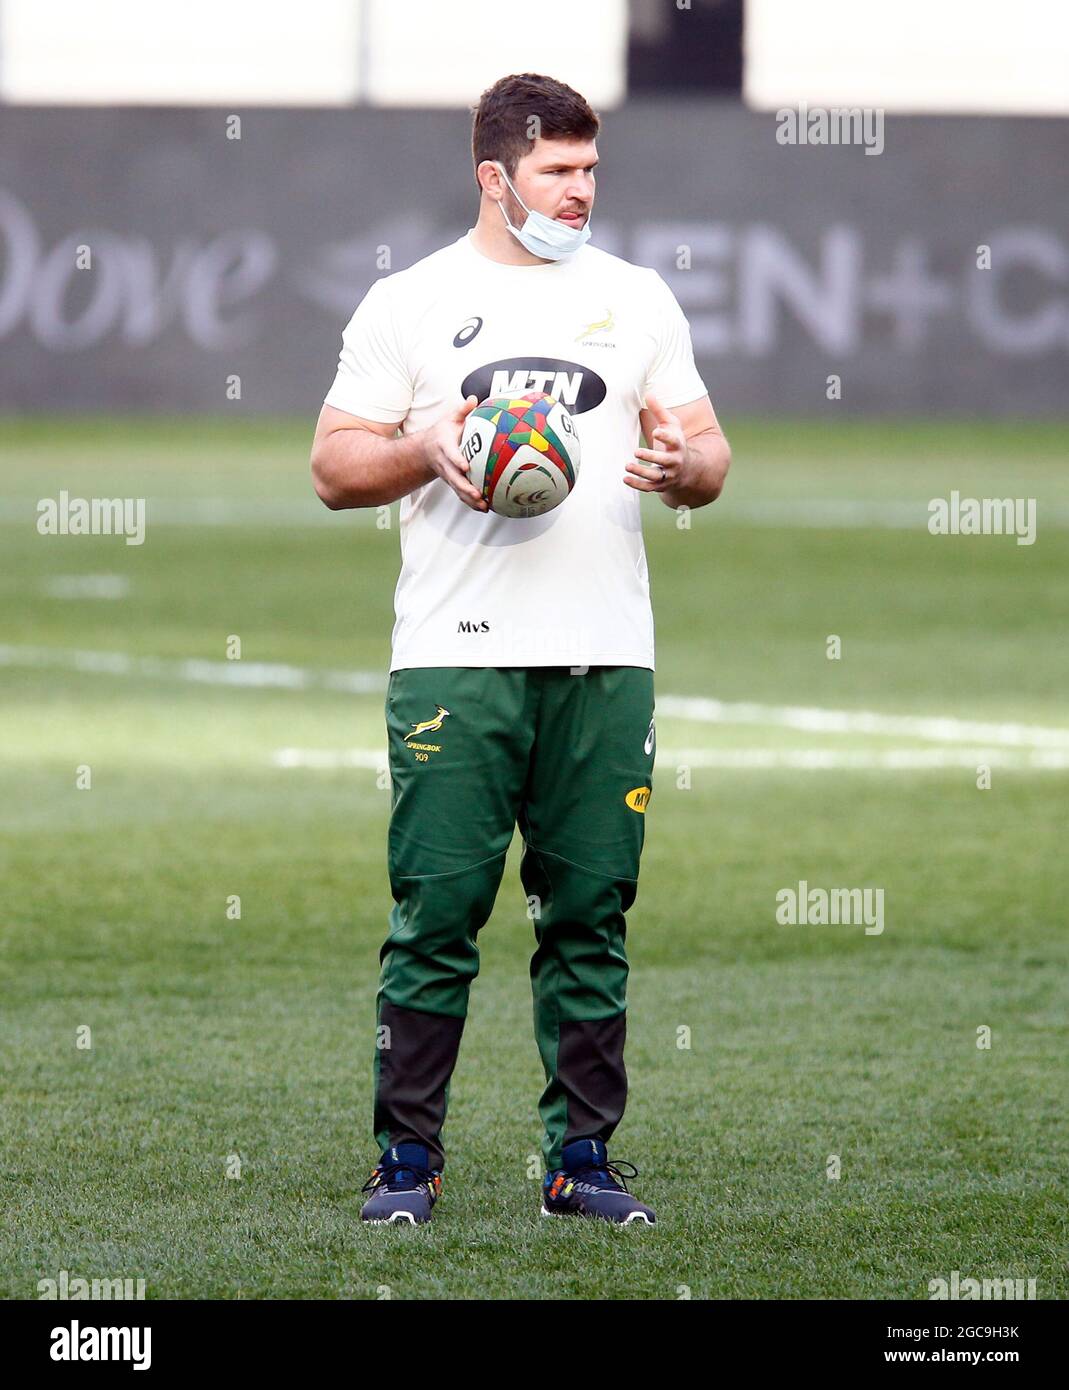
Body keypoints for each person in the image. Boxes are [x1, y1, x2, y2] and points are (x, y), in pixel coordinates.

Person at [310, 72, 730, 1225]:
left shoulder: (637, 298)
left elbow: (707, 453)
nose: (581, 190)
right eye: (558, 172)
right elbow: (335, 466)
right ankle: (407, 1163)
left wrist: (676, 468)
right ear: (495, 178)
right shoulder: (409, 302)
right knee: (436, 919)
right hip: (454, 657)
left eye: (591, 170)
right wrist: (427, 445)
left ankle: (579, 1161)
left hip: (606, 655)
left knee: (590, 915)